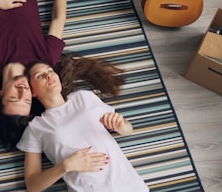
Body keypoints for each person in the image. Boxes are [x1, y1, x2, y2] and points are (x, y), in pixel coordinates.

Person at [16, 58, 150, 192]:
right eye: (40, 76)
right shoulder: (36, 127)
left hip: (129, 185)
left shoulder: (84, 97)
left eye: (50, 71)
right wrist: (65, 166)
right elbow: (33, 186)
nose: (48, 75)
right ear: (32, 91)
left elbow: (128, 130)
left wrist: (121, 126)